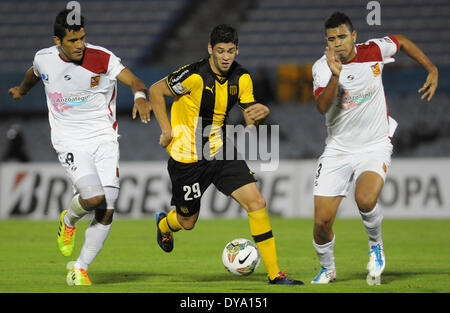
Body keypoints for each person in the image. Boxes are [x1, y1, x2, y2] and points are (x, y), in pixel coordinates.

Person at [149, 24, 304, 285]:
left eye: (230, 51)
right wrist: (166, 130)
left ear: (237, 50)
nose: (225, 57)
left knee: (257, 203)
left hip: (220, 150)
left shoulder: (242, 78)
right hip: (187, 158)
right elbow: (156, 91)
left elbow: (249, 117)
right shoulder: (194, 75)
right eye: (220, 51)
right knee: (187, 222)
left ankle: (275, 274)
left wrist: (259, 112)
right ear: (210, 49)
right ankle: (165, 225)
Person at [8, 8, 151, 286]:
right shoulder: (44, 58)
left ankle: (80, 268)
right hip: (69, 140)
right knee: (94, 199)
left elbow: (135, 80)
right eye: (73, 40)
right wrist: (22, 90)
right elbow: (34, 73)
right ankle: (70, 220)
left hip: (104, 139)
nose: (80, 45)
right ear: (57, 41)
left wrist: (140, 95)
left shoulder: (102, 58)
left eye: (82, 38)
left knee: (108, 208)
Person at [311, 11, 438, 284]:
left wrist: (431, 68)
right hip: (337, 150)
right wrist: (336, 76)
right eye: (331, 39)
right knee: (321, 224)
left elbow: (401, 41)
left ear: (354, 36)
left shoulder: (373, 50)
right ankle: (328, 268)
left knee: (366, 199)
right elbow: (322, 107)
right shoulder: (321, 67)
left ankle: (375, 245)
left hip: (374, 145)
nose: (337, 44)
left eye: (342, 37)